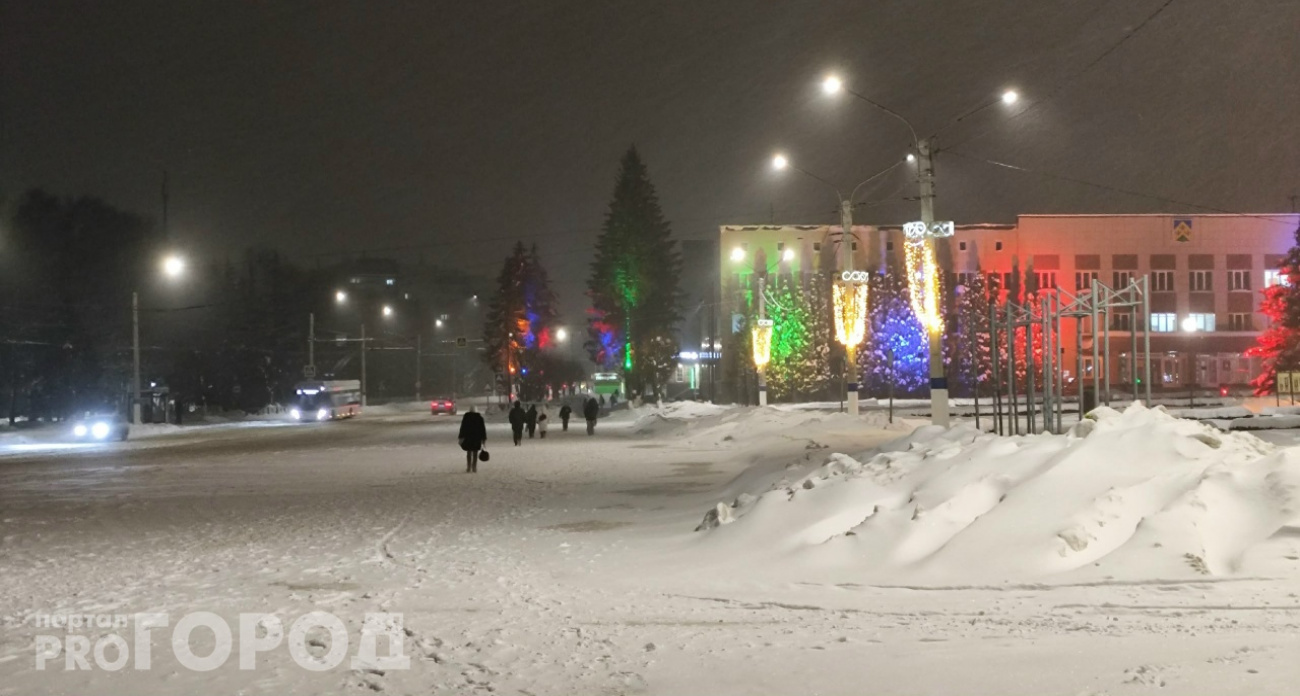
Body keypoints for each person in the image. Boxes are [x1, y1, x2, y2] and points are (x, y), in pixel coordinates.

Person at [458, 406, 487, 473]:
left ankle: (468, 467)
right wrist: (483, 439)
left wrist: (461, 437)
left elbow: (463, 428)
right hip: (477, 438)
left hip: (468, 438)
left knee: (469, 452)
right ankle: (474, 467)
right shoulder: (479, 418)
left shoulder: (466, 418)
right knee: (475, 453)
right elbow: (482, 429)